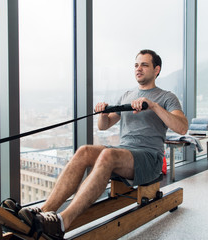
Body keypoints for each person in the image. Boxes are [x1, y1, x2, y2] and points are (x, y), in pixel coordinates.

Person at [17, 49, 188, 239]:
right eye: (136, 65)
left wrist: (154, 106)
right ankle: (44, 210)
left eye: (144, 65)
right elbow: (104, 126)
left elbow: (182, 128)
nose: (138, 69)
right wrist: (103, 114)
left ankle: (62, 222)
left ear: (157, 70)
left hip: (149, 158)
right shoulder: (127, 95)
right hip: (125, 155)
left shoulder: (166, 97)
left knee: (108, 154)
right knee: (84, 151)